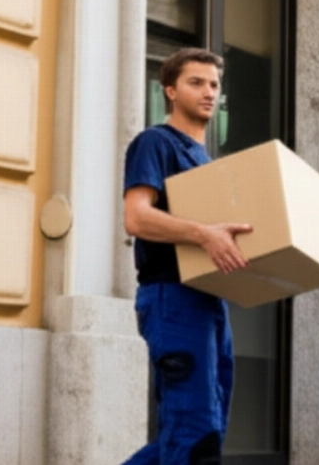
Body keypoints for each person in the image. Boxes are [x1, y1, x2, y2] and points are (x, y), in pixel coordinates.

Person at [121, 48, 252, 464]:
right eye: (196, 83)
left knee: (202, 433)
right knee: (194, 436)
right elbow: (137, 218)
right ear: (170, 91)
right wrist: (203, 235)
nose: (209, 92)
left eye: (214, 84)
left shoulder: (206, 164)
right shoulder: (155, 142)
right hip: (172, 300)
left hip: (209, 299)